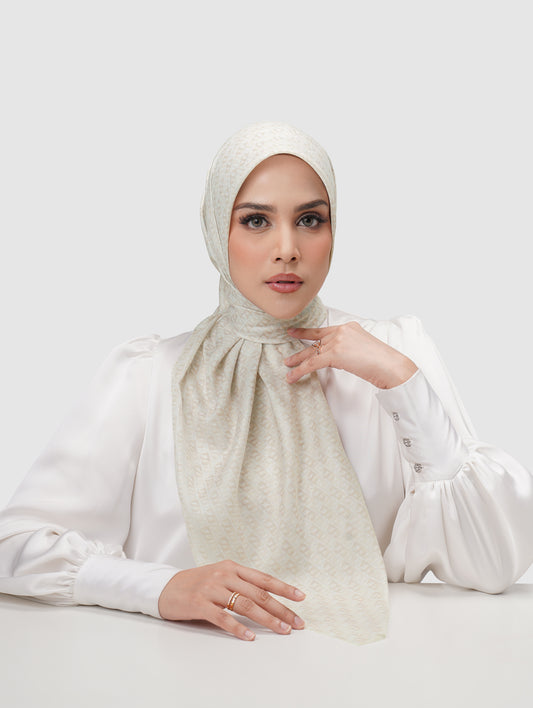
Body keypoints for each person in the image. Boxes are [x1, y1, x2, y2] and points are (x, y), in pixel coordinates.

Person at [1, 121, 532, 646]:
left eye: (310, 219)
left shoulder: (393, 352)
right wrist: (158, 587)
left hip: (366, 678)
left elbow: (493, 562)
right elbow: (14, 546)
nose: (287, 248)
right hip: (182, 675)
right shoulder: (151, 374)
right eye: (256, 220)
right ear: (217, 230)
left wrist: (400, 382)